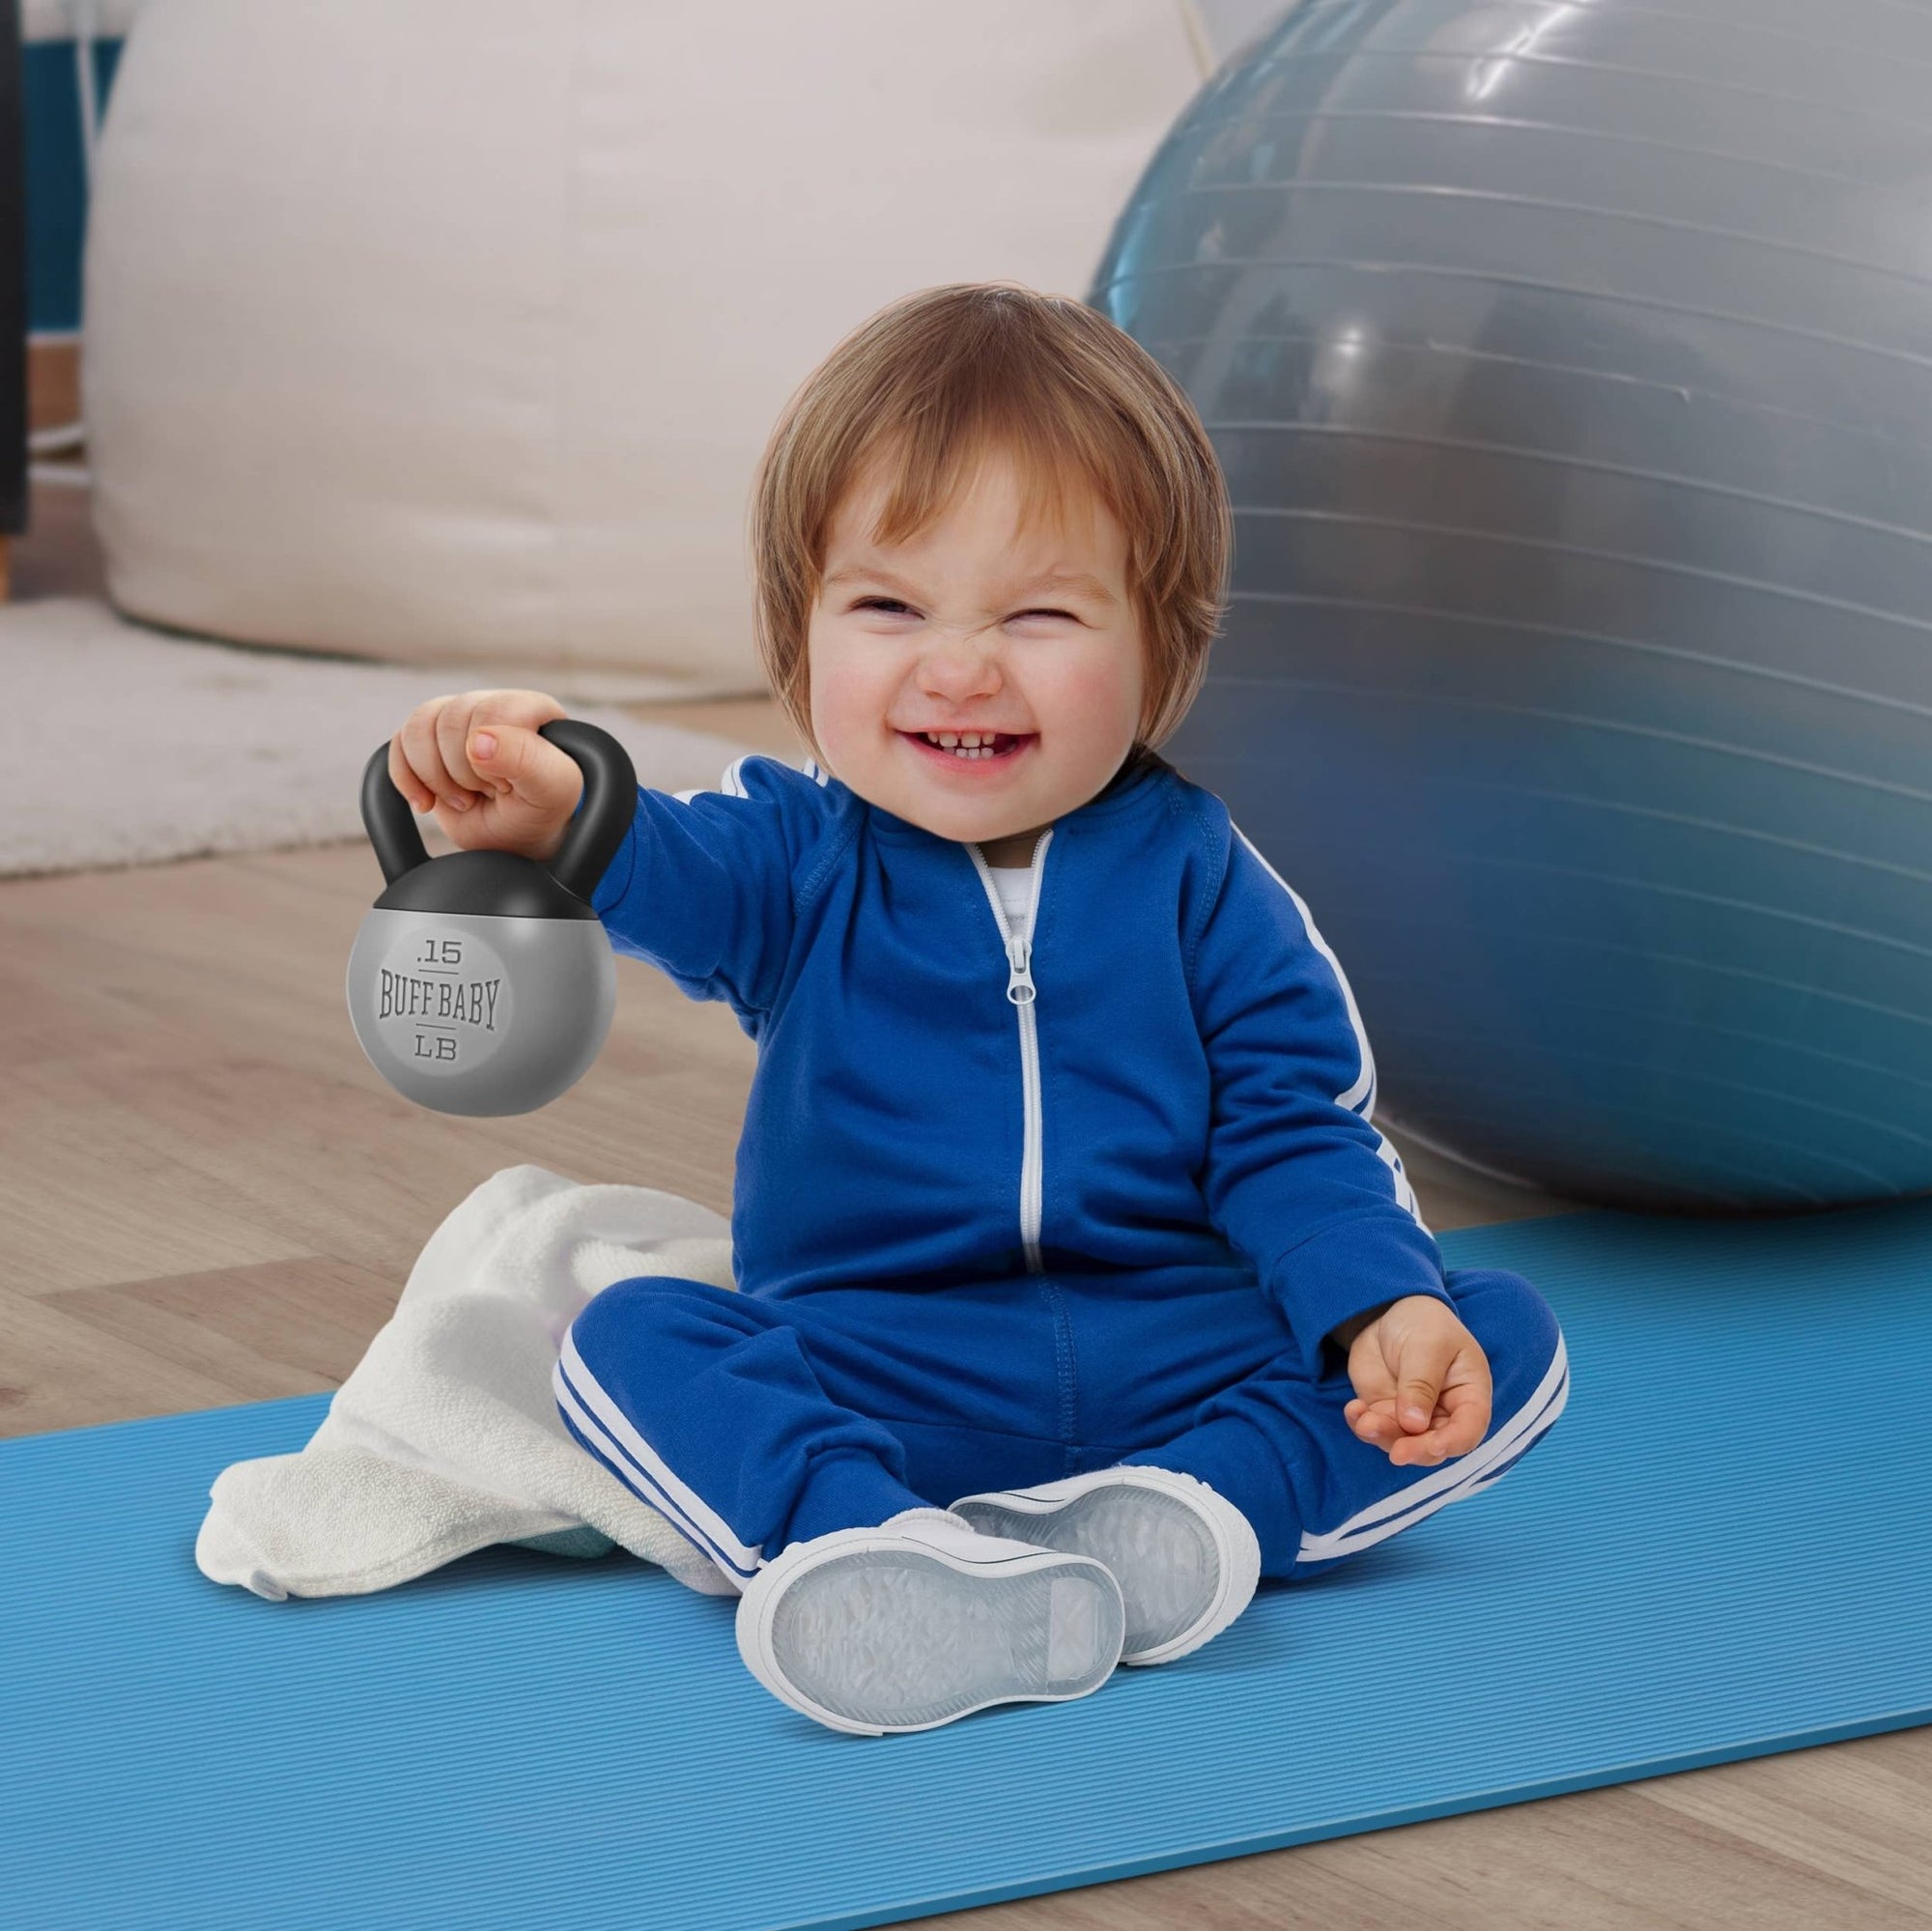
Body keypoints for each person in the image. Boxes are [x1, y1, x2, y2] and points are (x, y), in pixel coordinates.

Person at [385, 282, 1569, 1738]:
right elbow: (665, 872)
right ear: (801, 632)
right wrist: (563, 806)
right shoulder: (795, 858)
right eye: (888, 606)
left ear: (1159, 645)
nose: (958, 666)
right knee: (625, 1340)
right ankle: (874, 1546)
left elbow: (1291, 1129)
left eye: (1039, 613)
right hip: (884, 1368)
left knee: (1495, 1335)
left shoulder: (1205, 879)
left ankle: (1203, 1520)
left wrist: (1375, 1305)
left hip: (1179, 1361)